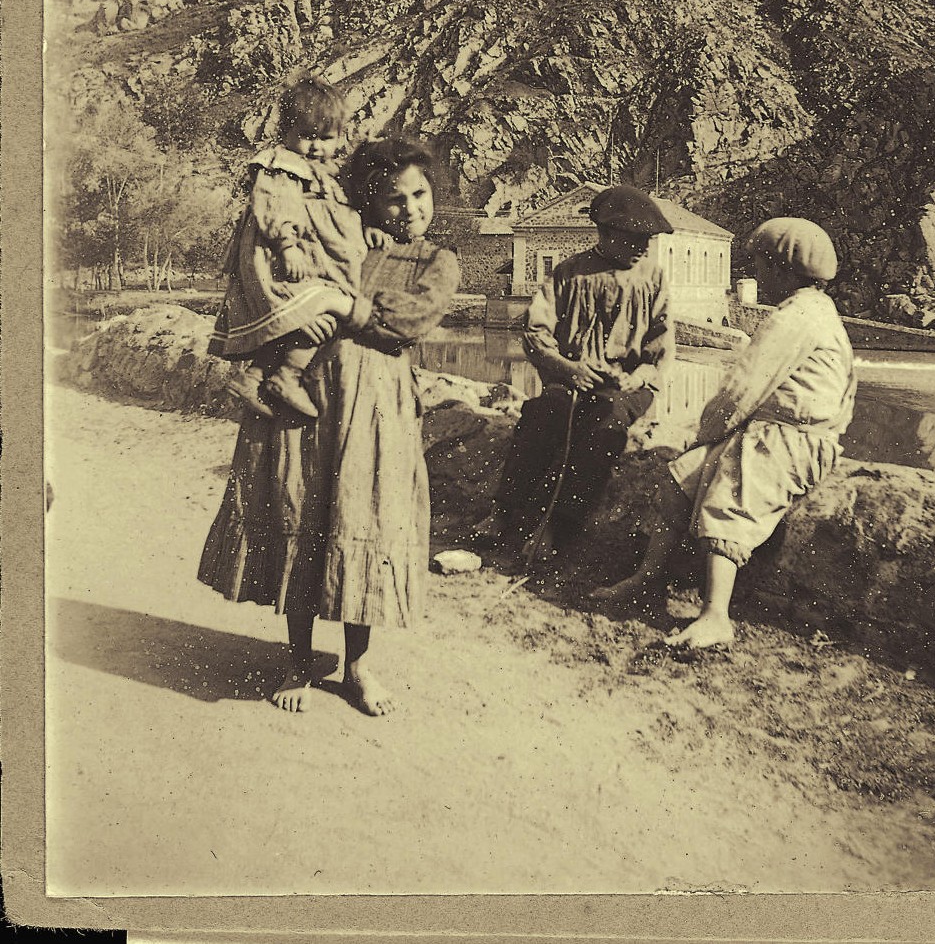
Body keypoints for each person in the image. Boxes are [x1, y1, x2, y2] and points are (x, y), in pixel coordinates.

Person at [198, 137, 460, 716]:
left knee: (363, 518)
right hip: (308, 399)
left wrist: (343, 306)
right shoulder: (340, 238)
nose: (410, 208)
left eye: (420, 195)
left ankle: (359, 666)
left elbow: (408, 322)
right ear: (369, 200)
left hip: (377, 408)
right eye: (394, 199)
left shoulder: (436, 261)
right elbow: (279, 272)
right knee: (300, 510)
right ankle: (297, 659)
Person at [593, 217, 856, 654]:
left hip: (792, 440)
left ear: (784, 270)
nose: (755, 274)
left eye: (760, 264)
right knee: (680, 478)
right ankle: (647, 579)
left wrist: (704, 434)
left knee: (728, 497)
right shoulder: (814, 312)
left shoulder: (794, 319)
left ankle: (716, 616)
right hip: (779, 433)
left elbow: (740, 391)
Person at [477, 184, 675, 563]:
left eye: (648, 240)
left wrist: (641, 375)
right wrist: (565, 368)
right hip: (572, 377)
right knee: (541, 416)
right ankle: (503, 512)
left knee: (604, 427)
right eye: (635, 239)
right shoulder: (569, 273)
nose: (644, 248)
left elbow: (661, 347)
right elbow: (535, 331)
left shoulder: (653, 278)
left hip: (625, 385)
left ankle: (557, 527)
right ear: (606, 234)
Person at [208, 75, 389, 420]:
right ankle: (287, 376)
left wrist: (368, 229)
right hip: (279, 257)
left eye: (326, 138)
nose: (316, 146)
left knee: (321, 312)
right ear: (286, 133)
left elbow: (344, 211)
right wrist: (287, 244)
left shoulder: (328, 173)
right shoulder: (283, 167)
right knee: (319, 310)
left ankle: (256, 376)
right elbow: (276, 207)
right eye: (306, 137)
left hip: (306, 257)